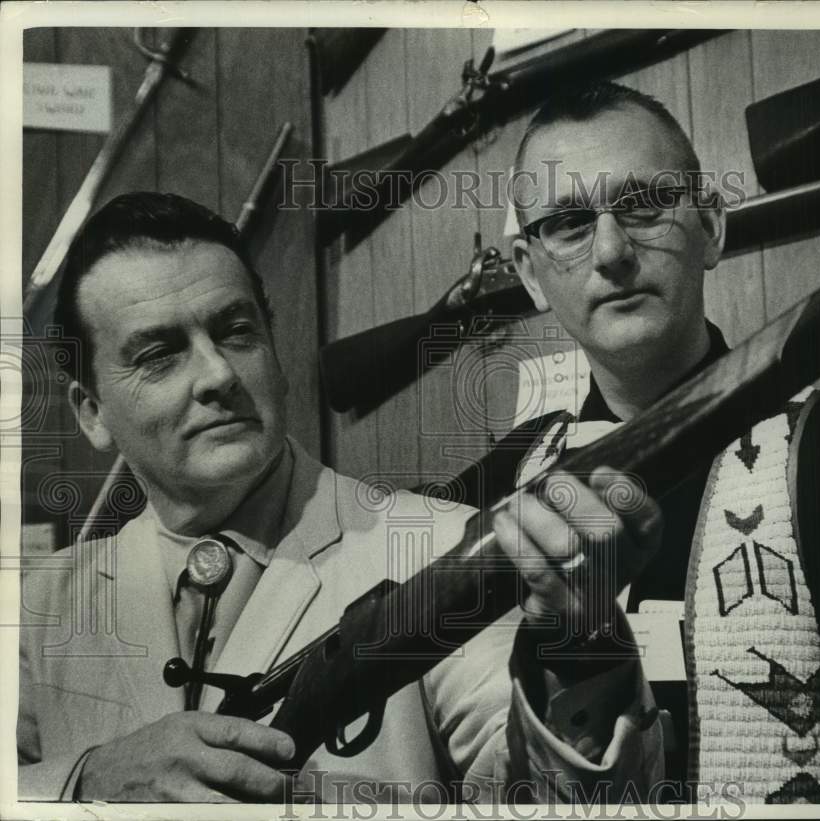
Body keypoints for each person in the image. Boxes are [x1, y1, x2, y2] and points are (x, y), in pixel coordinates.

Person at [17, 192, 666, 803]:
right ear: (92, 412)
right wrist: (85, 781)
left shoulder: (442, 549)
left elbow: (555, 800)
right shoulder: (36, 608)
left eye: (237, 331)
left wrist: (579, 651)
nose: (217, 374)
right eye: (159, 354)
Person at [442, 81, 820, 804]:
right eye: (569, 222)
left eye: (644, 203)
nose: (610, 250)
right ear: (532, 274)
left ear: (713, 227)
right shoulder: (493, 491)